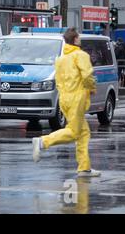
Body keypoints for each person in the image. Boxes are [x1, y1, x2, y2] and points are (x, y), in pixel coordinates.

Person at [32, 28, 101, 177]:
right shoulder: (81, 55)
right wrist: (91, 88)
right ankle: (43, 142)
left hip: (64, 99)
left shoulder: (60, 59)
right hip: (77, 98)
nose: (80, 39)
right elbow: (88, 75)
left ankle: (84, 168)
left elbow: (58, 80)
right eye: (79, 37)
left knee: (83, 133)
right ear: (75, 40)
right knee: (74, 132)